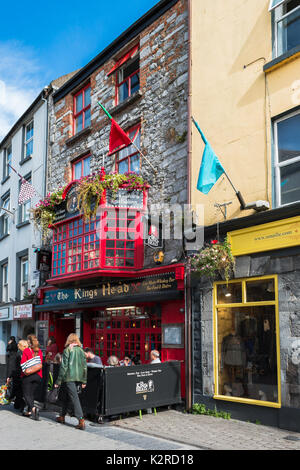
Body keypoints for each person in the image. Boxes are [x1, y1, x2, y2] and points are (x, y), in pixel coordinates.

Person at [55, 333, 87, 430]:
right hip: (78, 378)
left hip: (68, 377)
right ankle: (62, 416)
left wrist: (58, 381)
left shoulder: (67, 350)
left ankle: (81, 419)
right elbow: (85, 367)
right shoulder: (81, 351)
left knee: (74, 398)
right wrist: (84, 380)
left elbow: (64, 367)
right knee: (65, 396)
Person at [20, 335, 43, 420]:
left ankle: (33, 409)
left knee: (26, 394)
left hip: (28, 376)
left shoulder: (26, 351)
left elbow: (23, 363)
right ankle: (29, 412)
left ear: (29, 342)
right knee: (31, 394)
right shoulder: (39, 351)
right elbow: (40, 363)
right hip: (38, 376)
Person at [6, 340, 28, 411]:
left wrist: (9, 376)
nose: (17, 345)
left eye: (19, 344)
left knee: (18, 390)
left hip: (18, 374)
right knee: (20, 391)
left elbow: (14, 366)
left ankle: (19, 404)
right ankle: (19, 404)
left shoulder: (18, 354)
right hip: (24, 374)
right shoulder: (28, 353)